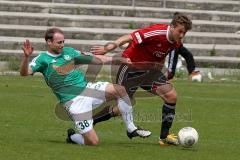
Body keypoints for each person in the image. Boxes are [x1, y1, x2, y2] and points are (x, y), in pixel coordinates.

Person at [20, 27, 151, 146]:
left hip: (88, 89)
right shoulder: (42, 59)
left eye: (63, 42)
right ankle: (73, 137)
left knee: (120, 90)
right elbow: (25, 73)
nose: (62, 45)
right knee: (93, 142)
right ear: (49, 42)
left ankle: (131, 128)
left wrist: (117, 60)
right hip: (73, 102)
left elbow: (94, 58)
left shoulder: (70, 52)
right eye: (59, 42)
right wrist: (26, 57)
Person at [91, 12, 192, 146]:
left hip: (149, 71)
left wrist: (161, 74)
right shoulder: (156, 32)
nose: (181, 35)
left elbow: (160, 55)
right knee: (122, 108)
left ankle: (164, 137)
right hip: (130, 66)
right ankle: (90, 121)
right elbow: (129, 37)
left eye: (184, 33)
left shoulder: (176, 42)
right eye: (180, 31)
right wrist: (109, 47)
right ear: (172, 26)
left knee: (171, 96)